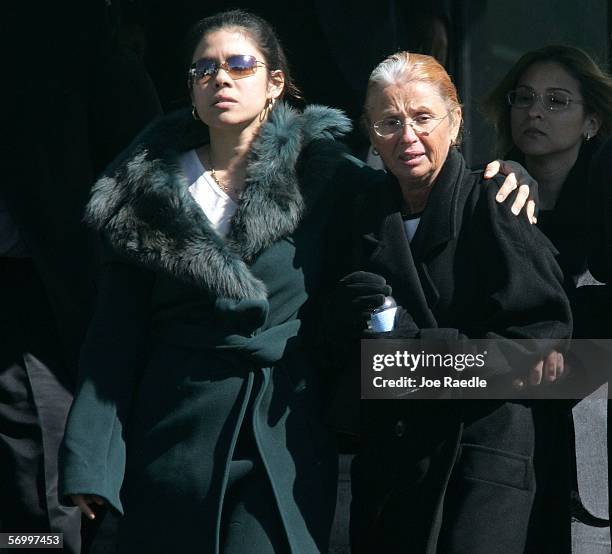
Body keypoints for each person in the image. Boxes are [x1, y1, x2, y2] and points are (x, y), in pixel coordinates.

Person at [59, 9, 357, 553]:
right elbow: (113, 339)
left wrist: (510, 175)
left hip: (280, 433)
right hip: (171, 432)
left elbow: (417, 205)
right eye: (204, 70)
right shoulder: (143, 194)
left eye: (240, 65)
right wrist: (91, 461)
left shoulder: (330, 177)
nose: (220, 78)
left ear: (275, 83)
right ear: (191, 91)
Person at [326, 51, 572, 553]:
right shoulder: (359, 220)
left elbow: (540, 344)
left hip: (479, 475)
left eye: (422, 118)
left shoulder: (494, 203)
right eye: (390, 122)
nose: (407, 136)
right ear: (371, 133)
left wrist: (410, 358)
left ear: (455, 122)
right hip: (392, 481)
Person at [484, 45, 612, 553]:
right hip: (512, 456)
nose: (535, 112)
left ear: (591, 123)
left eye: (557, 101)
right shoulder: (484, 196)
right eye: (525, 98)